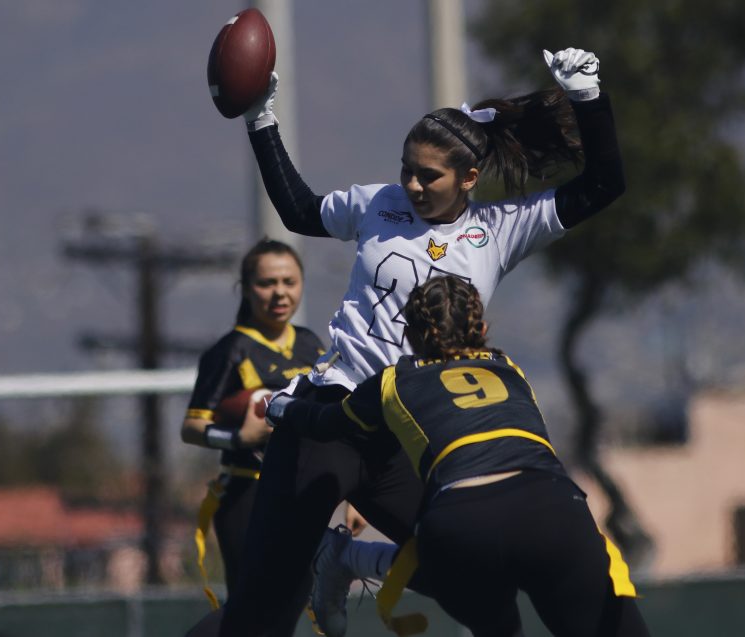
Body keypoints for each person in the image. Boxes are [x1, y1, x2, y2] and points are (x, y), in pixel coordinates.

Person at [195, 46, 626, 637]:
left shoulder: (498, 231)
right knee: (261, 614)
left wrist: (588, 96)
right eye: (406, 168)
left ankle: (347, 558)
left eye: (429, 175)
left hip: (406, 431)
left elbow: (605, 183)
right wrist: (260, 119)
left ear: (470, 178)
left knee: (467, 571)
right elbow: (299, 210)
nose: (412, 184)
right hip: (332, 415)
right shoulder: (380, 205)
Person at [266, 276, 651, 637]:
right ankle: (352, 559)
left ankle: (354, 558)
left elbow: (326, 423)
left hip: (463, 522)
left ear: (409, 337)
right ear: (482, 331)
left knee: (450, 571)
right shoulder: (510, 368)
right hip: (552, 509)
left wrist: (280, 406)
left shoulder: (393, 379)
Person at [180, 238, 325, 617]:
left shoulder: (311, 344)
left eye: (289, 282)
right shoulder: (232, 350)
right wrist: (238, 437)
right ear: (245, 289)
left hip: (303, 491)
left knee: (295, 603)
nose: (280, 292)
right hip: (249, 491)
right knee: (253, 609)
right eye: (267, 283)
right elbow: (192, 426)